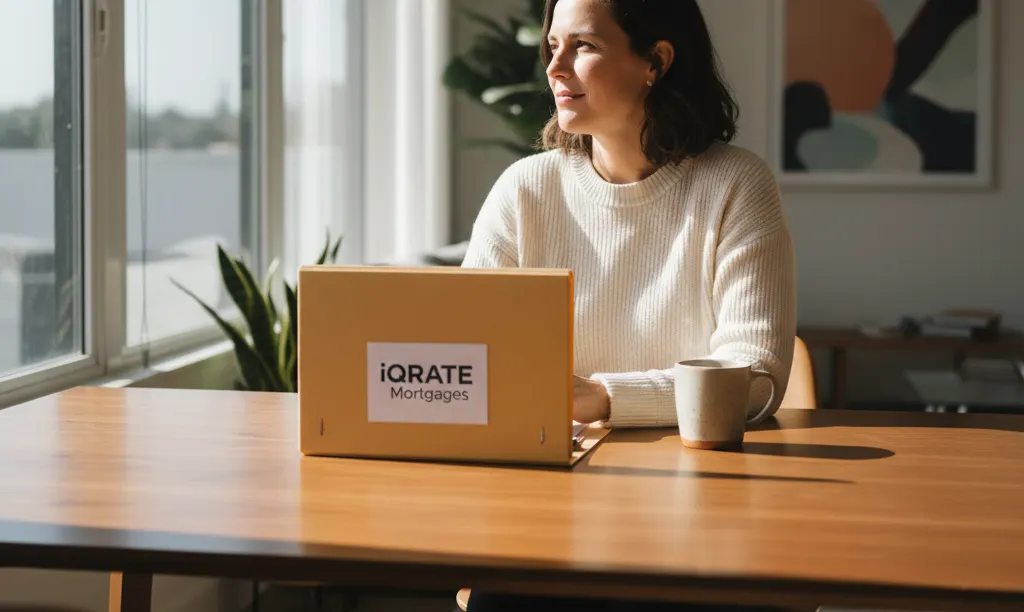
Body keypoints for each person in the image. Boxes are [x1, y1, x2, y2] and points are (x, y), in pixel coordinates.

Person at [460, 0, 796, 608]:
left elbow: (755, 376)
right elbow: (466, 354)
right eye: (552, 46)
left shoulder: (736, 185)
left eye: (583, 46)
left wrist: (605, 396)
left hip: (702, 516)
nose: (555, 68)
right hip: (552, 516)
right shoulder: (524, 190)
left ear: (655, 62)